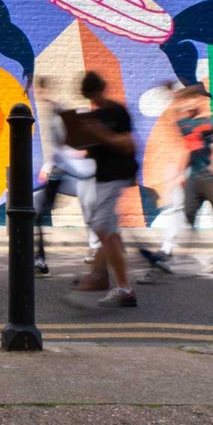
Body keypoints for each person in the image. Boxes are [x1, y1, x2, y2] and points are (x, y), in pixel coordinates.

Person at [64, 72, 138, 307]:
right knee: (109, 232)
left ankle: (120, 287)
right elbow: (91, 149)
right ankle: (104, 278)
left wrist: (100, 133)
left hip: (117, 176)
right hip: (102, 177)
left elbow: (127, 145)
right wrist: (76, 137)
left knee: (101, 226)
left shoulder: (116, 112)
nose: (92, 97)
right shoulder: (93, 116)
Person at [162, 84, 213, 279]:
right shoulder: (186, 124)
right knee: (187, 216)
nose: (189, 103)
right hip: (194, 179)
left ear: (201, 100)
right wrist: (179, 174)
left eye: (192, 99)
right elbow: (186, 147)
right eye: (186, 100)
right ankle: (186, 258)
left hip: (212, 177)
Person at [33, 76, 98, 276]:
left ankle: (97, 249)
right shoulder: (53, 114)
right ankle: (39, 258)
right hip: (62, 174)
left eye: (41, 91)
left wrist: (77, 154)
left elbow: (75, 147)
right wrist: (48, 166)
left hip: (80, 174)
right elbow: (57, 150)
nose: (40, 97)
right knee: (36, 208)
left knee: (90, 212)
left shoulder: (64, 115)